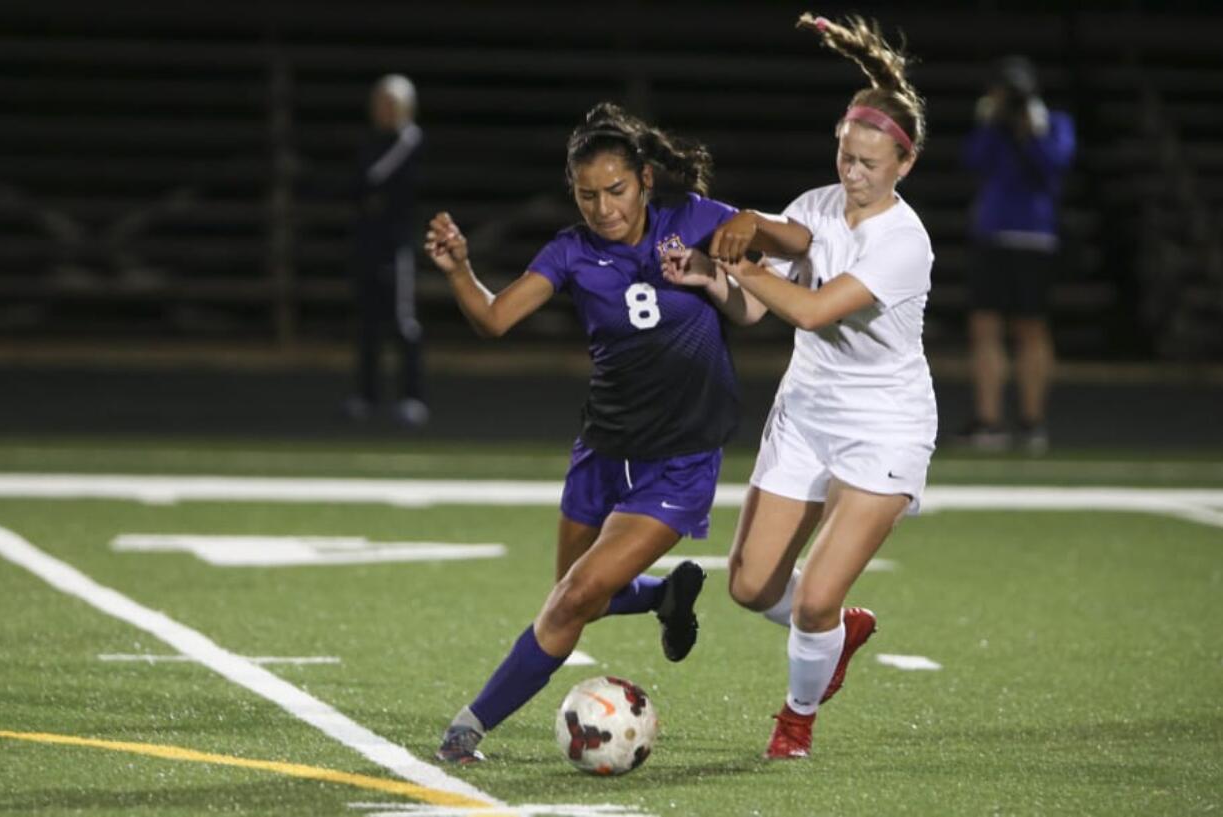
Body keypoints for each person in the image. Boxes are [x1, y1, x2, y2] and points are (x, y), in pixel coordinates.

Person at [424, 102, 751, 763]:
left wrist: (754, 221)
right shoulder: (570, 251)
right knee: (578, 599)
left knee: (575, 597)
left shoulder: (695, 218)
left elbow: (795, 243)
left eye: (616, 190)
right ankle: (663, 594)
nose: (603, 207)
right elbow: (494, 319)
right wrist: (459, 267)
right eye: (587, 194)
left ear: (646, 180)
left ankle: (469, 725)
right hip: (602, 450)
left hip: (678, 461)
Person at [662, 13, 935, 759]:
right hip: (807, 411)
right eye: (846, 155)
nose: (853, 171)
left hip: (883, 424)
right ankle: (838, 634)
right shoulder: (817, 206)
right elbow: (754, 307)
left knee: (815, 594)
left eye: (871, 162)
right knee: (750, 586)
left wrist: (745, 252)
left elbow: (811, 309)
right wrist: (712, 277)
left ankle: (795, 720)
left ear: (903, 165)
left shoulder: (903, 241)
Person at [960, 56, 1076, 453]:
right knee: (985, 326)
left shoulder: (1053, 122)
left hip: (1034, 238)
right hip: (992, 234)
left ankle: (1032, 422)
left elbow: (1055, 166)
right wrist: (993, 123)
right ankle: (988, 422)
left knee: (1031, 328)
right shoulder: (992, 124)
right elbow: (973, 160)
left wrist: (1033, 133)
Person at [345, 74, 429, 427]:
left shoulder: (408, 141)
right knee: (368, 322)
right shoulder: (372, 141)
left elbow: (369, 181)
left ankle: (413, 397)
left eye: (391, 104)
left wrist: (368, 193)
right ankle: (366, 395)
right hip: (369, 244)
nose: (383, 111)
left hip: (398, 248)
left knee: (403, 322)